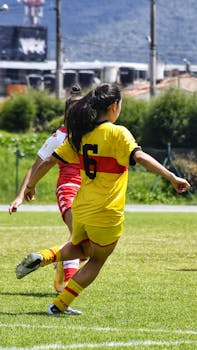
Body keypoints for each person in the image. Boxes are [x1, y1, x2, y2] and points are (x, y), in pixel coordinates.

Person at [15, 83, 190, 315]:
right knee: (97, 260)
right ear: (113, 107)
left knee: (83, 249)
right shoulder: (118, 133)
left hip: (83, 208)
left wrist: (31, 185)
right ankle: (59, 306)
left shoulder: (81, 135)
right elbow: (140, 157)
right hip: (107, 211)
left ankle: (44, 257)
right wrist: (171, 176)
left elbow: (48, 161)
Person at [10, 85, 84, 315]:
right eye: (75, 110)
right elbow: (37, 166)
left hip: (90, 194)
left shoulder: (91, 133)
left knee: (88, 245)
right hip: (69, 189)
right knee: (79, 240)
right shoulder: (59, 137)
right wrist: (22, 194)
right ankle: (64, 292)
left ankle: (57, 263)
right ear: (68, 113)